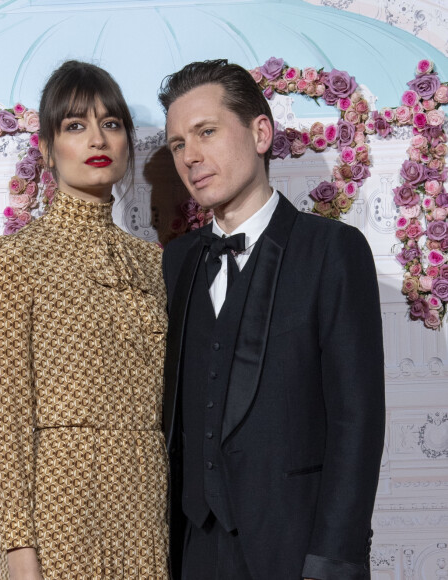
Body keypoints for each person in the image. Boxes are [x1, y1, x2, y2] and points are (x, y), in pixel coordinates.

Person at [159, 59, 385, 580]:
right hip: (194, 551)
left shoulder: (333, 250)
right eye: (177, 145)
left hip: (297, 549)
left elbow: (358, 421)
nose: (191, 157)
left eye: (206, 132)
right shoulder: (176, 261)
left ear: (261, 132)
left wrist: (333, 561)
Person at [0, 60, 169, 580]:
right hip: (61, 505)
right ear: (46, 149)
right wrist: (17, 547)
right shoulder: (16, 259)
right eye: (75, 125)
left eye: (110, 123)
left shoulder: (155, 263)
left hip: (147, 500)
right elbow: (6, 415)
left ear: (128, 140)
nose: (97, 138)